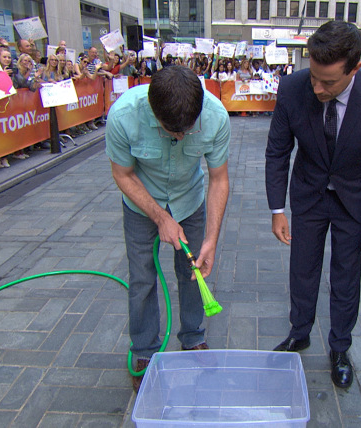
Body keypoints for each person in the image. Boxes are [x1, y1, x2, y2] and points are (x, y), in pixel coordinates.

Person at [265, 20, 361, 389]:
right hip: (309, 194)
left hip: (355, 199)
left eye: (328, 82)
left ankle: (340, 348)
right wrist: (277, 209)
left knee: (346, 275)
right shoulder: (293, 88)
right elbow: (278, 151)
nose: (317, 87)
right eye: (313, 76)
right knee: (302, 267)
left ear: (354, 69)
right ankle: (300, 332)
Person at [105, 65, 231, 393]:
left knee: (193, 272)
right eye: (170, 131)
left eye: (187, 131)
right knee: (143, 277)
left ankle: (193, 339)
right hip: (141, 202)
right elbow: (123, 175)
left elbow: (218, 178)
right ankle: (145, 351)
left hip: (189, 201)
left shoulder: (216, 116)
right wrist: (160, 218)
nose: (179, 137)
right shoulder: (123, 117)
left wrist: (212, 240)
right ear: (152, 109)